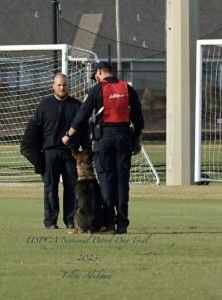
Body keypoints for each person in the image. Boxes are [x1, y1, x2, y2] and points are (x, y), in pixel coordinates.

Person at [62, 62, 144, 234]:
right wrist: (137, 139)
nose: (96, 78)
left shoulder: (97, 89)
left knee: (106, 182)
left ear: (99, 72)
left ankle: (109, 224)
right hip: (124, 138)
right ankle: (122, 223)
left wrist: (69, 134)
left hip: (104, 139)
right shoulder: (127, 89)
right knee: (122, 183)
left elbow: (82, 115)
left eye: (96, 75)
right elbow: (137, 116)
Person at [21, 73, 91, 229]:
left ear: (68, 86)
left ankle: (71, 220)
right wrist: (36, 156)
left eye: (64, 85)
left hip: (70, 154)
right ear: (53, 86)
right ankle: (50, 221)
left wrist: (87, 151)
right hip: (50, 154)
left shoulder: (76, 106)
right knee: (50, 188)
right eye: (59, 85)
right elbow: (35, 132)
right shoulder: (44, 106)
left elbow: (84, 130)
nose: (62, 87)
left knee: (72, 189)